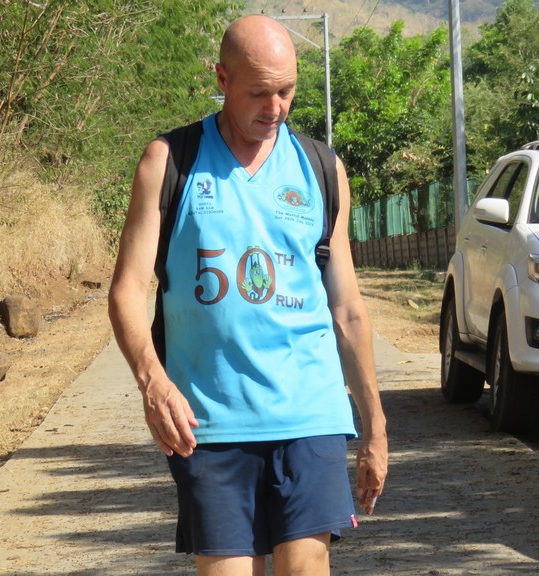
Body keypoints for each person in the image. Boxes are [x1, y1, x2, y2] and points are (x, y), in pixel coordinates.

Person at [107, 14, 388, 576]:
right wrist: (152, 382)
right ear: (222, 78)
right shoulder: (170, 161)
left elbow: (347, 310)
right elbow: (127, 290)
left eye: (287, 91)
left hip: (310, 412)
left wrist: (374, 426)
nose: (275, 107)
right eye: (259, 92)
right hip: (210, 422)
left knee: (305, 567)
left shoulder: (321, 169)